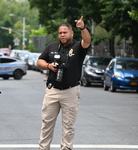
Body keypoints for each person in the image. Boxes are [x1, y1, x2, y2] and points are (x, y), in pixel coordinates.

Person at [37, 16, 91, 150]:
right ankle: (43, 148)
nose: (62, 35)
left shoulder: (78, 47)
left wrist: (82, 27)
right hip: (52, 91)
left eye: (65, 32)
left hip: (71, 91)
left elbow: (87, 41)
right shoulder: (51, 46)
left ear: (71, 33)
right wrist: (49, 66)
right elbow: (39, 61)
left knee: (68, 125)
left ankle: (66, 148)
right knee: (46, 124)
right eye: (60, 33)